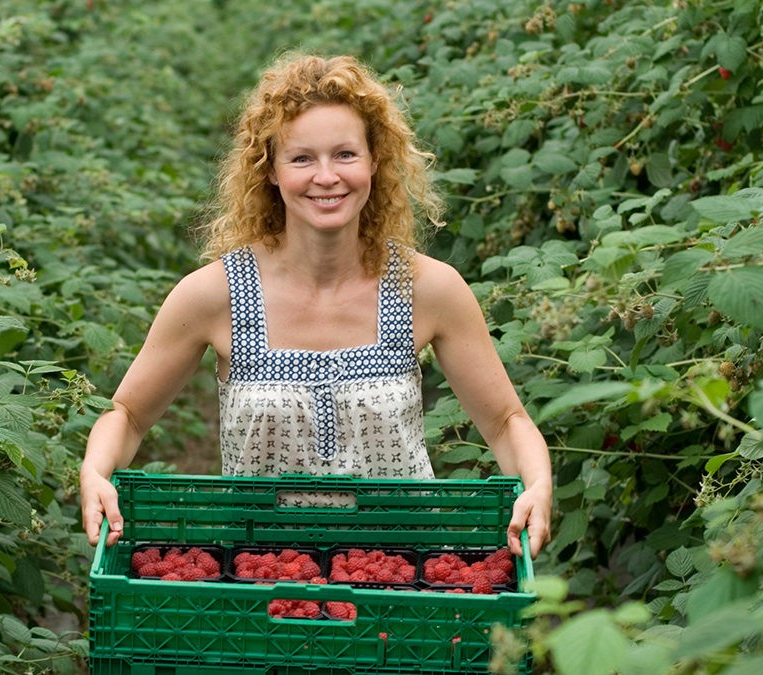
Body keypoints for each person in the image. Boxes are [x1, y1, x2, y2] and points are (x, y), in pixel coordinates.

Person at [80, 53, 552, 558]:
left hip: (404, 574)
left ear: (374, 160)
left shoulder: (426, 288)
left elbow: (506, 422)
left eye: (345, 154)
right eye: (302, 158)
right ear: (271, 170)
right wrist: (95, 473)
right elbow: (127, 414)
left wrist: (538, 486)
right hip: (260, 574)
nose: (326, 176)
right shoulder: (215, 294)